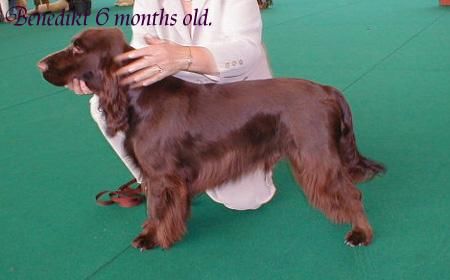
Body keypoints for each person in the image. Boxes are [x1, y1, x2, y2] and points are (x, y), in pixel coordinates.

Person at [69, 0, 276, 210]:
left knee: (244, 200)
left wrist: (183, 57)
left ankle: (262, 149)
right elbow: (141, 47)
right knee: (101, 105)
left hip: (233, 97)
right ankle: (156, 178)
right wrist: (99, 80)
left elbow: (247, 50)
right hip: (180, 98)